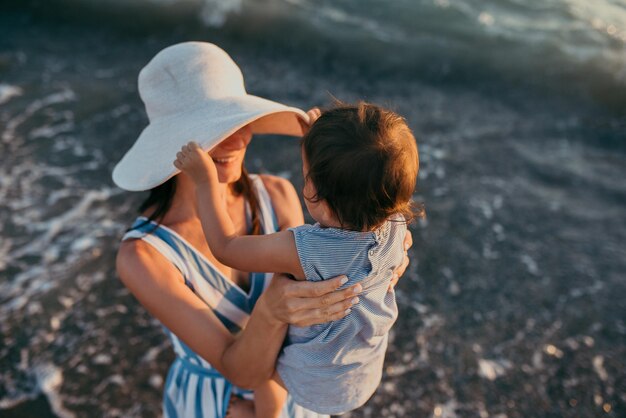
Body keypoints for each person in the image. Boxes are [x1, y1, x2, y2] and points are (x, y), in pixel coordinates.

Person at [113, 42, 412, 418]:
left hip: (297, 392)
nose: (238, 140)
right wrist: (272, 312)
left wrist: (389, 261)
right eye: (214, 129)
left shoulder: (276, 194)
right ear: (174, 140)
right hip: (216, 405)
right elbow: (240, 368)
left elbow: (336, 254)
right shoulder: (144, 256)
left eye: (239, 123)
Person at [174, 101, 421, 416]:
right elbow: (356, 181)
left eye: (306, 175)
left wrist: (205, 182)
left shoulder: (305, 248)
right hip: (360, 372)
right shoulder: (396, 226)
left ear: (320, 200)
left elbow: (226, 246)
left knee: (269, 367)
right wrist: (316, 142)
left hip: (311, 379)